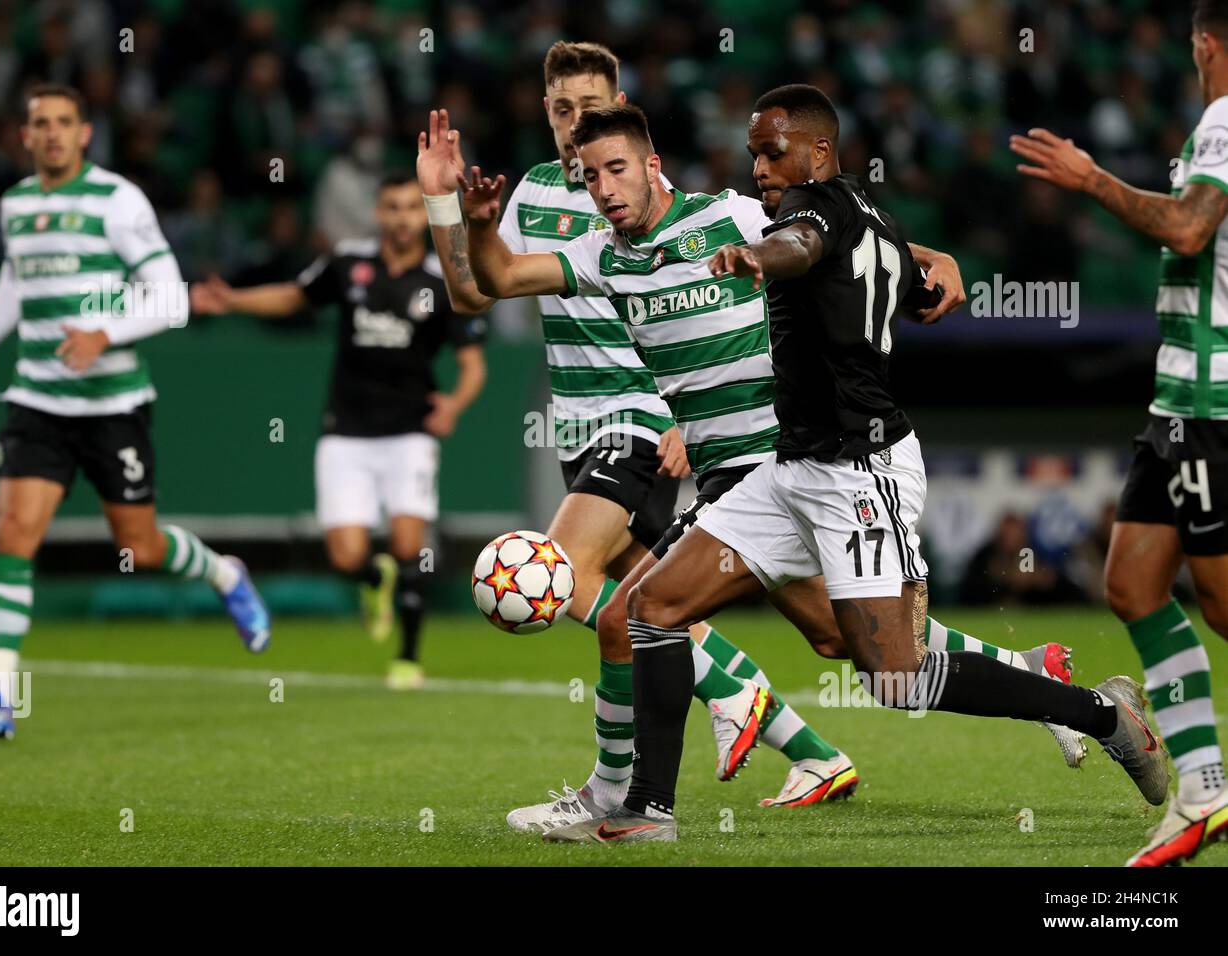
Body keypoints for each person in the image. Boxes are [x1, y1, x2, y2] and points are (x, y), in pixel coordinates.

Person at [453, 95, 1105, 842]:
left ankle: (623, 799)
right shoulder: (602, 258)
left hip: (780, 460)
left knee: (641, 619)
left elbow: (834, 236)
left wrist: (935, 257)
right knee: (841, 641)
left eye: (617, 169)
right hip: (743, 476)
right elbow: (495, 277)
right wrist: (471, 219)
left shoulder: (728, 216)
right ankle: (1038, 676)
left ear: (652, 165)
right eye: (589, 175)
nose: (603, 188)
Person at [0, 84, 270, 740]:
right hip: (36, 399)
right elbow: (16, 278)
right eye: (40, 122)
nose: (53, 133)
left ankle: (223, 572)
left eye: (65, 122)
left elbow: (170, 299)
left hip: (112, 404)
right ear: (25, 135)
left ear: (85, 133)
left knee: (139, 545)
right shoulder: (15, 204)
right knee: (12, 534)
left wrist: (102, 331)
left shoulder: (118, 201)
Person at [1009, 0, 1228, 866]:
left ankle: (1208, 790)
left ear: (1204, 43)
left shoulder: (1223, 120)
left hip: (1215, 406)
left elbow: (1186, 226)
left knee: (1221, 602)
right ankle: (1205, 790)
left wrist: (1092, 179)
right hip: (1177, 406)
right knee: (1135, 583)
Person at [191, 173, 486, 690]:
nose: (401, 218)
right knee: (345, 556)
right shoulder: (350, 265)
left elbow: (473, 365)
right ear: (378, 213)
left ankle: (408, 660)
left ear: (424, 217)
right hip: (345, 431)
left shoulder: (441, 283)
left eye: (410, 209)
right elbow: (293, 297)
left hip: (409, 433)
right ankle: (374, 581)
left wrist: (454, 405)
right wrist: (233, 300)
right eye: (391, 207)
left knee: (409, 545)